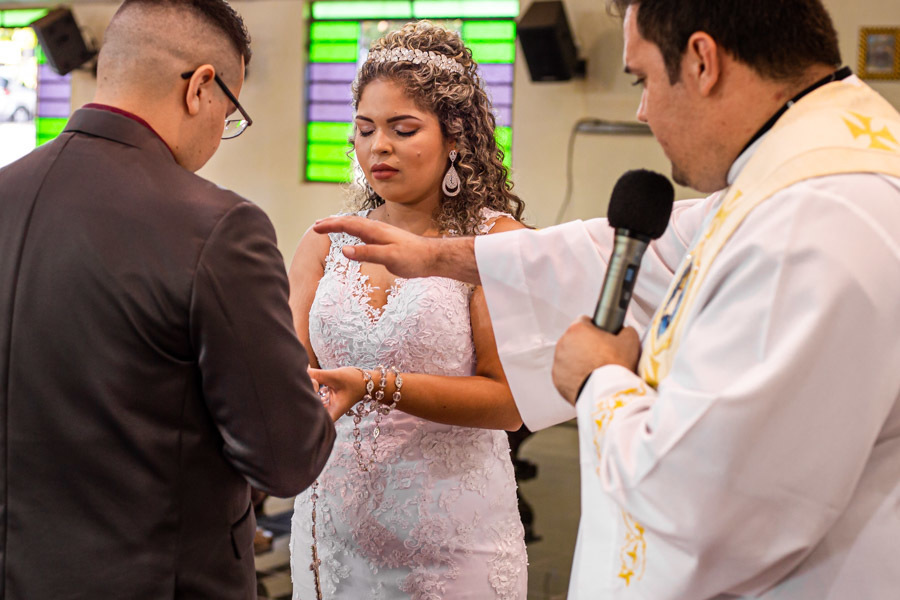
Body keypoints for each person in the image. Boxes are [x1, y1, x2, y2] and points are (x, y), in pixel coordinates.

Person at [313, 0, 900, 598]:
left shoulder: (816, 217)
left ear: (701, 61)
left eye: (642, 79)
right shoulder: (799, 176)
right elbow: (636, 248)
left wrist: (598, 382)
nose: (642, 111)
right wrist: (437, 257)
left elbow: (711, 499)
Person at [0, 1, 335, 598]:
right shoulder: (217, 226)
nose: (221, 134)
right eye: (231, 113)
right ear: (202, 87)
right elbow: (284, 458)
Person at [287, 21, 529, 600]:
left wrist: (374, 385)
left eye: (403, 128)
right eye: (365, 129)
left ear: (454, 137)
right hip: (330, 538)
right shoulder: (324, 243)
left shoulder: (495, 245)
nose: (379, 147)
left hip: (451, 549)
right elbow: (291, 370)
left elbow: (509, 403)